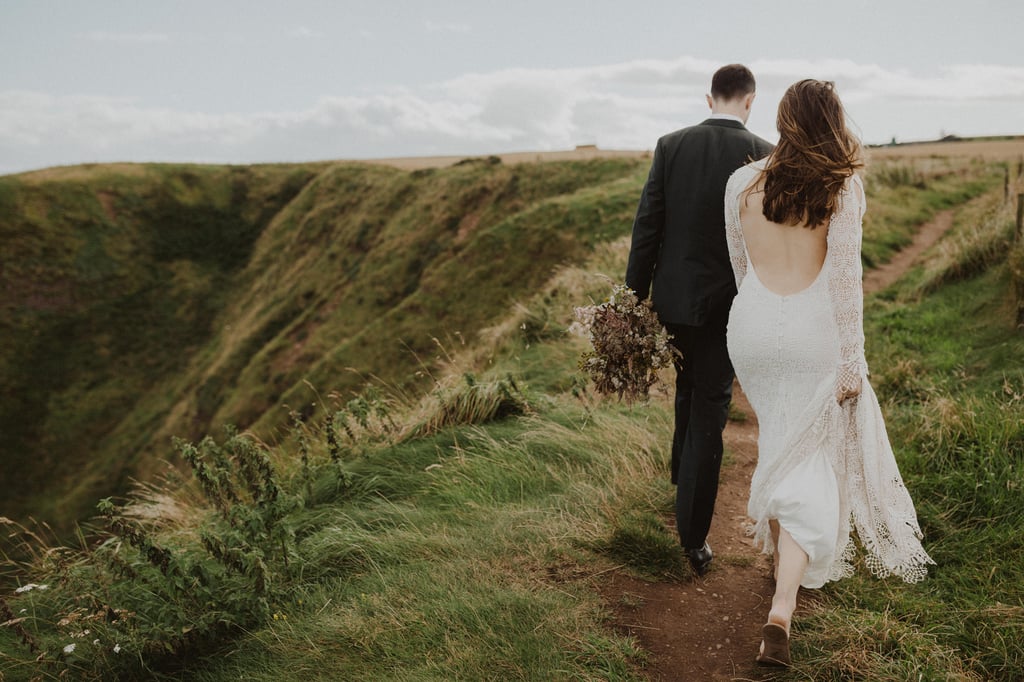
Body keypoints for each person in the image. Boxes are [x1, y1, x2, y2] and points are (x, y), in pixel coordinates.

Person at [723, 79, 934, 666]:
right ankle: (780, 610)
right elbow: (845, 284)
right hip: (815, 333)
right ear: (832, 121)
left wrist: (763, 321)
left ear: (785, 119)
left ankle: (778, 558)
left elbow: (740, 264)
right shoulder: (843, 187)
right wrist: (853, 358)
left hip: (754, 328)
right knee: (808, 461)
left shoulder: (742, 183)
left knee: (780, 440)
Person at [625, 64, 774, 576]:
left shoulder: (671, 145)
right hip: (731, 306)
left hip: (672, 300)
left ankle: (680, 479)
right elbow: (766, 241)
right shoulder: (765, 153)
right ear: (750, 101)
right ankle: (693, 535)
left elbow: (648, 226)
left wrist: (633, 298)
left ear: (709, 98)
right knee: (711, 403)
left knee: (688, 387)